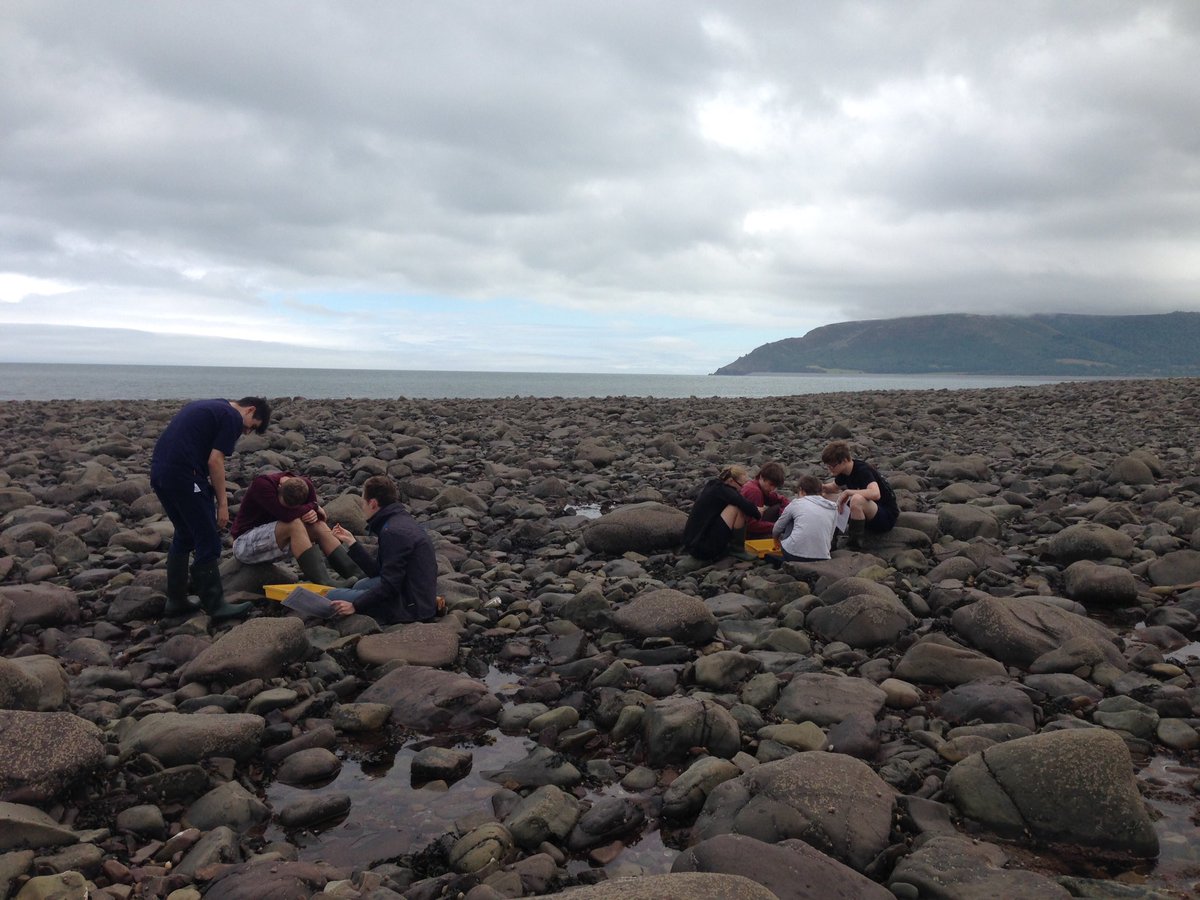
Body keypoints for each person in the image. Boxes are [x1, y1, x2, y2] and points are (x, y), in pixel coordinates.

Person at [151, 397, 271, 619]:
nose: (245, 433)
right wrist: (223, 505)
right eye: (250, 426)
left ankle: (176, 600)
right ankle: (216, 606)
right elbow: (215, 461)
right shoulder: (232, 417)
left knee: (185, 534)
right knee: (207, 539)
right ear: (250, 409)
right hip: (185, 476)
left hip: (160, 473)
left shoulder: (212, 405)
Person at [327, 475, 439, 624]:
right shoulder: (398, 520)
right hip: (415, 592)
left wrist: (355, 606)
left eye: (363, 502)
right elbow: (379, 572)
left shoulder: (392, 532)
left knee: (330, 596)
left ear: (373, 503)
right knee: (361, 585)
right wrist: (352, 542)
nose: (362, 506)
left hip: (411, 606)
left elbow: (390, 586)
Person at [230, 471, 365, 586]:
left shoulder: (305, 485)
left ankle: (356, 574)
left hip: (279, 543)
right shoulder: (263, 485)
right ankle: (325, 582)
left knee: (318, 525)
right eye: (285, 504)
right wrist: (314, 507)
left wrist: (314, 512)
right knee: (293, 523)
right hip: (245, 544)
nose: (291, 509)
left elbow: (317, 516)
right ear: (279, 487)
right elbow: (285, 515)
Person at [820, 440, 899, 550]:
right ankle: (831, 540)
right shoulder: (844, 472)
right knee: (826, 497)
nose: (830, 469)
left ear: (844, 461)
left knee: (856, 499)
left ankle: (854, 544)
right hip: (868, 514)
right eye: (827, 466)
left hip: (885, 516)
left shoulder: (862, 470)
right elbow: (833, 487)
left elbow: (875, 494)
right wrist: (818, 487)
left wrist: (848, 492)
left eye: (832, 465)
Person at [681, 465, 764, 561]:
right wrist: (758, 512)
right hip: (703, 549)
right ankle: (737, 549)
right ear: (731, 481)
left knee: (736, 506)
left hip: (692, 544)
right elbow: (743, 503)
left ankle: (729, 546)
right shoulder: (724, 491)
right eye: (741, 485)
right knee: (737, 508)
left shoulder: (713, 485)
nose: (741, 489)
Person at [772, 475, 849, 561]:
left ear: (802, 491)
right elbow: (830, 534)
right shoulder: (833, 507)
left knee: (791, 520)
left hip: (793, 554)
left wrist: (776, 539)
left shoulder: (797, 503)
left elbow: (777, 528)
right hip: (822, 557)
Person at [740, 461, 789, 537]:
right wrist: (777, 526)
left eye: (775, 486)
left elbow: (781, 499)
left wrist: (782, 514)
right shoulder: (754, 492)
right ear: (762, 477)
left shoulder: (758, 486)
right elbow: (751, 525)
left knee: (779, 506)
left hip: (747, 527)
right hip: (745, 533)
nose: (772, 489)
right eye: (771, 484)